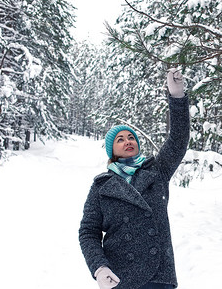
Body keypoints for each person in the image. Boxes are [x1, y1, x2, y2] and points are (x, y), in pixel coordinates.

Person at [79, 69, 189, 289]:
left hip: (159, 275)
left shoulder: (157, 171)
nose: (127, 140)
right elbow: (88, 231)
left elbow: (178, 139)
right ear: (112, 150)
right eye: (120, 139)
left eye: (131, 137)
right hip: (119, 278)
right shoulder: (101, 187)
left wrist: (176, 97)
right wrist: (99, 268)